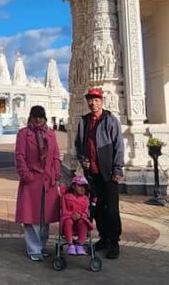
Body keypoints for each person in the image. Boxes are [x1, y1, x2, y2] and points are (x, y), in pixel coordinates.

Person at [74, 87, 124, 259]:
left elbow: (118, 145)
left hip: (108, 172)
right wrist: (82, 159)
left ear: (102, 101)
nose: (93, 103)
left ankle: (114, 242)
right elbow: (79, 144)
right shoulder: (84, 121)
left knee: (111, 209)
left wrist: (118, 168)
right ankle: (103, 238)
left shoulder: (110, 120)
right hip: (92, 173)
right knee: (97, 209)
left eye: (96, 100)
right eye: (90, 100)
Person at [15, 105, 61, 261]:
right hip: (32, 180)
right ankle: (34, 249)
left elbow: (55, 155)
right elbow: (19, 156)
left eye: (40, 116)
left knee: (44, 218)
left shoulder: (51, 134)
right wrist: (26, 175)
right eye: (35, 116)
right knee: (31, 217)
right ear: (31, 117)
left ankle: (41, 246)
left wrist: (56, 173)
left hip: (48, 180)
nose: (38, 119)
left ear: (45, 118)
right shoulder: (24, 134)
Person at [60, 175, 93, 255]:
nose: (82, 189)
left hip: (80, 219)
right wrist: (71, 214)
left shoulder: (85, 199)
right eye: (80, 186)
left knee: (83, 222)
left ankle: (80, 245)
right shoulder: (66, 197)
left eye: (84, 187)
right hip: (68, 219)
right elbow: (63, 211)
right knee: (68, 221)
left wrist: (80, 215)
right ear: (74, 186)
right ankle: (70, 244)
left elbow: (86, 212)